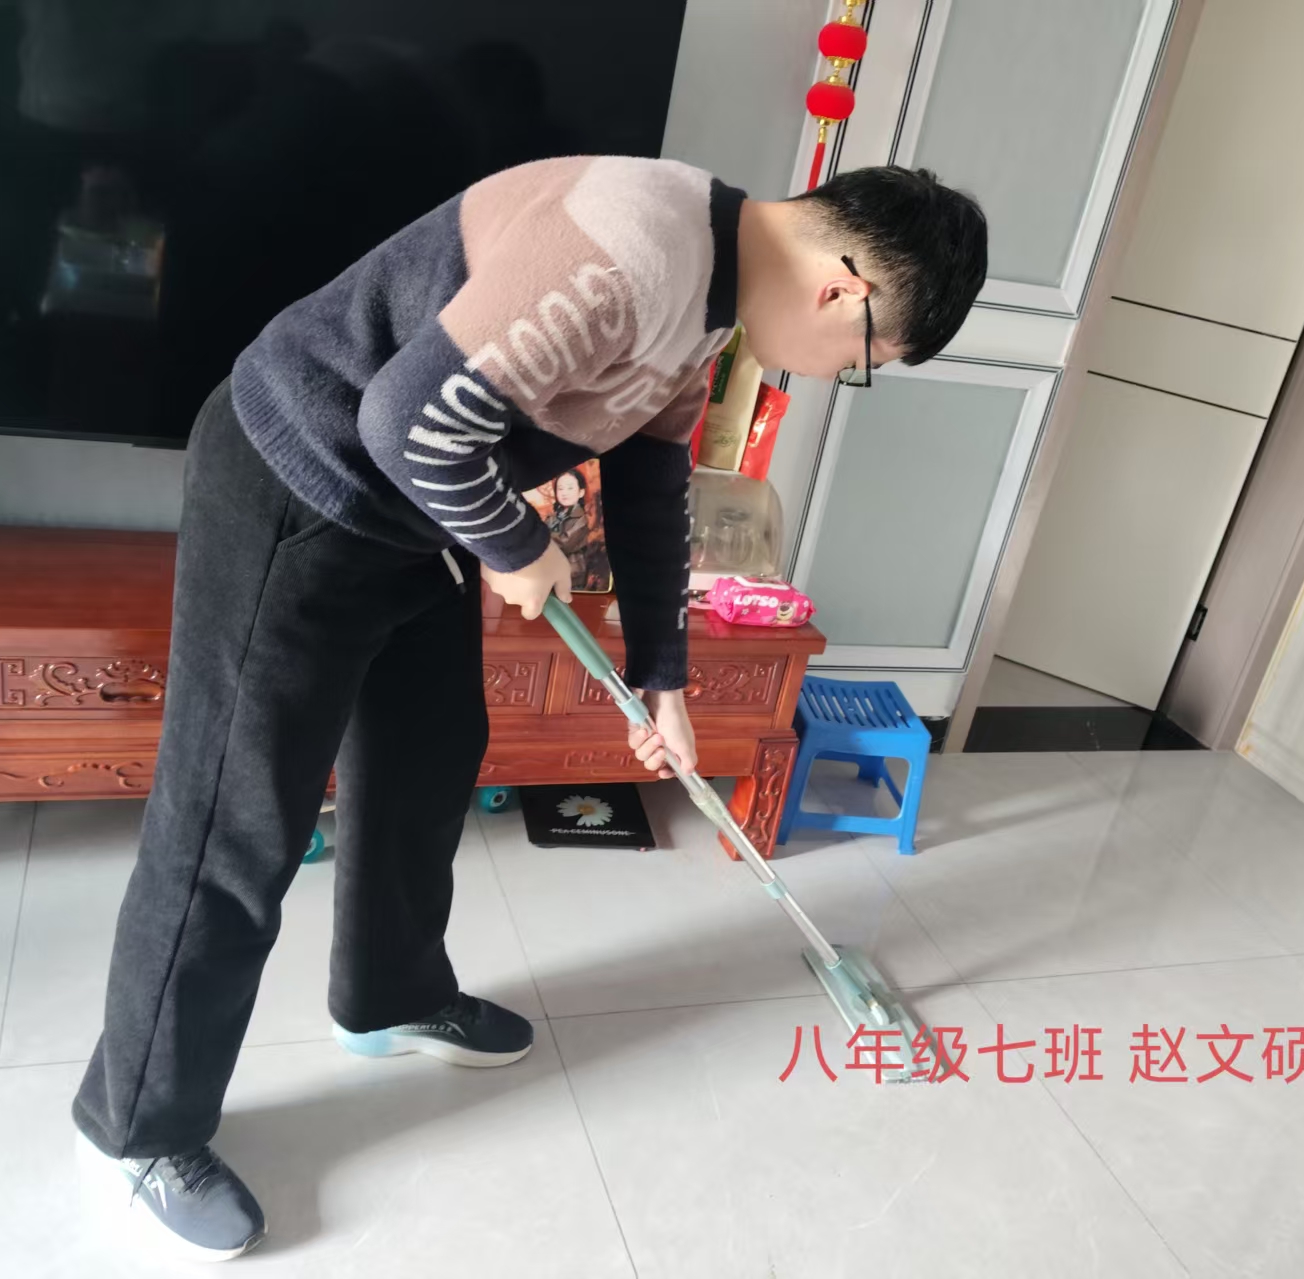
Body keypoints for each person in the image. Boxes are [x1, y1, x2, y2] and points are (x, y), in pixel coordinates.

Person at [71, 156, 986, 1260]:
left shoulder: (710, 294)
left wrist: (662, 677)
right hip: (301, 482)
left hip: (412, 518)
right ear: (846, 291)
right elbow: (405, 417)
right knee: (237, 818)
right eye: (867, 360)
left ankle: (388, 994)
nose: (843, 371)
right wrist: (517, 543)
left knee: (428, 756)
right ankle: (138, 1127)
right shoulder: (635, 249)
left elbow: (652, 481)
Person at [547, 469, 593, 587]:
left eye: (570, 488)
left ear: (581, 492)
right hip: (549, 572)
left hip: (572, 575)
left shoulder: (583, 519)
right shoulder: (552, 517)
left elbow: (564, 544)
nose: (564, 493)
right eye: (560, 488)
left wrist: (540, 539)